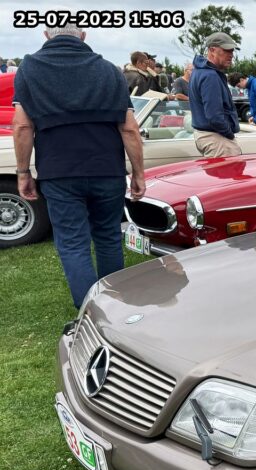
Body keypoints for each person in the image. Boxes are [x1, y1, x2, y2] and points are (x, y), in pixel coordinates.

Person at [12, 24, 145, 308]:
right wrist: (138, 173)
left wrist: (23, 171)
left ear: (46, 36)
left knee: (73, 243)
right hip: (107, 169)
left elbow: (22, 126)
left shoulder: (30, 69)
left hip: (58, 171)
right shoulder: (109, 70)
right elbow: (129, 129)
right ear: (83, 36)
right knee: (108, 237)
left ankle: (90, 312)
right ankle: (114, 307)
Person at [189, 32, 241, 157]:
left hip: (206, 135)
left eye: (232, 51)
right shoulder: (210, 75)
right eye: (226, 50)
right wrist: (229, 134)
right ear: (212, 50)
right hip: (216, 138)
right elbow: (214, 116)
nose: (231, 55)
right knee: (230, 169)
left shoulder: (199, 71)